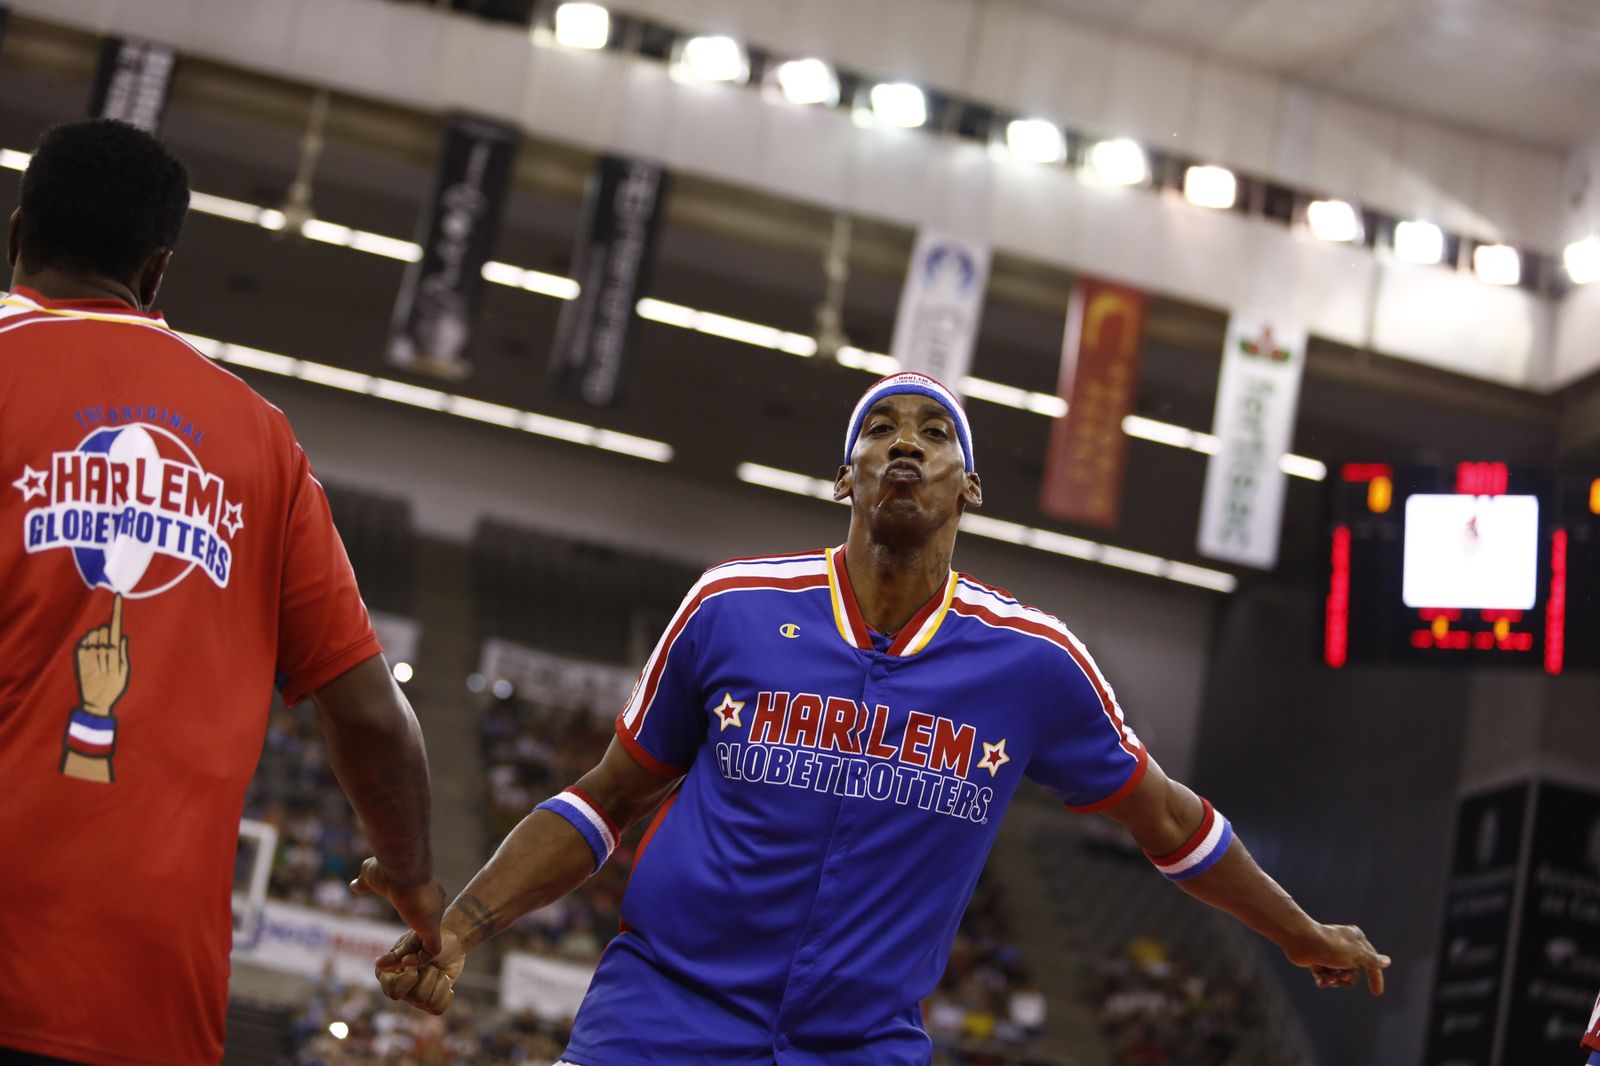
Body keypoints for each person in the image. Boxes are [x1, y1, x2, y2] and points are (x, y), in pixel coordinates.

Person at [368, 371, 1389, 1063]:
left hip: (857, 1043)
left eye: (935, 432)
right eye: (880, 430)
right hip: (661, 1015)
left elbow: (1170, 822)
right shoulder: (732, 606)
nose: (906, 443)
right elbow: (604, 800)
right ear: (843, 476)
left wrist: (1297, 930)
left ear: (970, 486)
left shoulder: (1033, 661)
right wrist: (459, 929)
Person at [0, 119, 443, 1065]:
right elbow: (373, 720)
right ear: (157, 272)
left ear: (15, 235)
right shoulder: (263, 445)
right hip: (147, 1009)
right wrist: (410, 875)